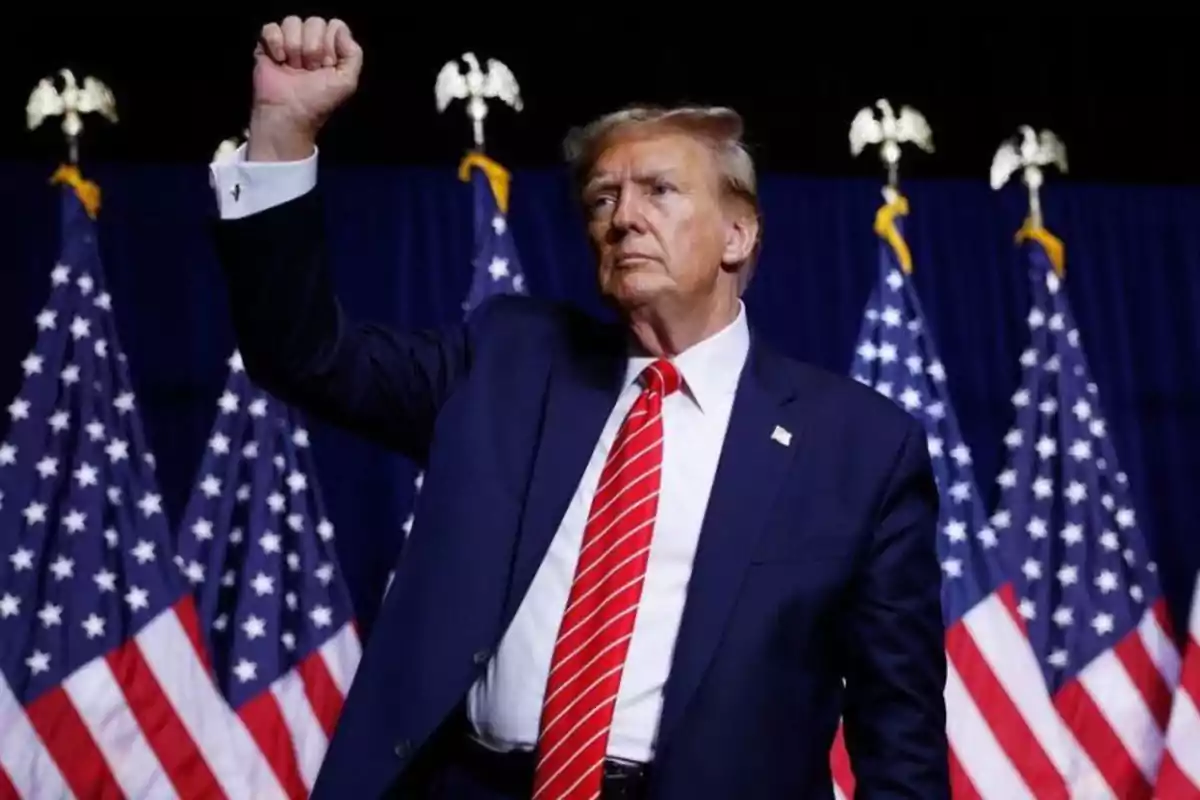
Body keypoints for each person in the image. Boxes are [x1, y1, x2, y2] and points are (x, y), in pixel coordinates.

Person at [208, 15, 949, 799]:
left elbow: (898, 736)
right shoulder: (506, 359)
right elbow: (304, 355)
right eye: (603, 198)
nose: (623, 217)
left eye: (659, 190)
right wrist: (282, 133)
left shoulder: (859, 447)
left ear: (739, 234)